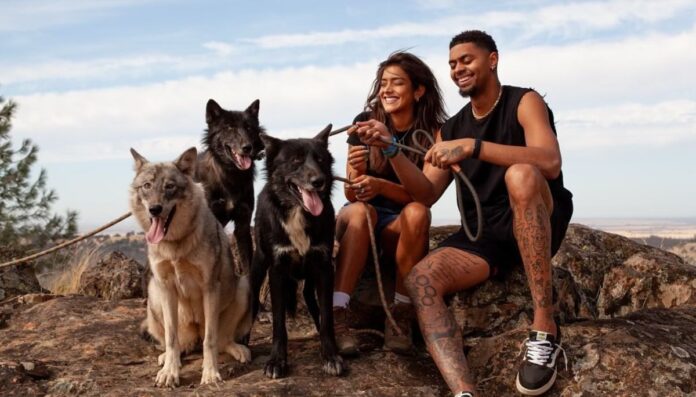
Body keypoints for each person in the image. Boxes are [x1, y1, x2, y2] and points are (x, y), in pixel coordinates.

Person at [353, 30, 573, 396]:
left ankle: (544, 328)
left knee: (521, 176)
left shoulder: (523, 101)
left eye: (466, 60)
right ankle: (463, 392)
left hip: (534, 215)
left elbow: (549, 162)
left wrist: (473, 148)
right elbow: (424, 195)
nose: (458, 69)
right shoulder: (452, 128)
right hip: (483, 236)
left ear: (492, 60)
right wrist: (391, 149)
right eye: (452, 64)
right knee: (421, 279)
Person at [332, 51, 447, 355]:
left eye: (397, 83)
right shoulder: (364, 122)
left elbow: (426, 196)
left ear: (418, 90)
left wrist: (382, 183)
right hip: (361, 216)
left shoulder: (436, 133)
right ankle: (338, 314)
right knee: (361, 211)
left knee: (418, 212)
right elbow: (351, 195)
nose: (387, 90)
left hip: (397, 224)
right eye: (383, 83)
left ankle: (400, 314)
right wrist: (357, 173)